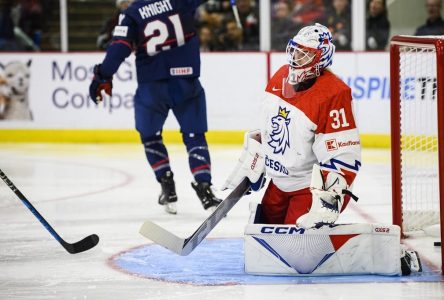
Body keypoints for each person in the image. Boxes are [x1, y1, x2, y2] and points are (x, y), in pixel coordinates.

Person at [224, 23, 422, 276]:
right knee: (264, 248)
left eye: (304, 54)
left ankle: (389, 253)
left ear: (321, 58)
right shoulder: (279, 75)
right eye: (295, 51)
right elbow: (269, 129)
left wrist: (329, 200)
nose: (296, 59)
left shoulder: (334, 93)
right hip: (279, 184)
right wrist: (254, 157)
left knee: (297, 257)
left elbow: (342, 153)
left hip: (305, 189)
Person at [89, 0, 222, 215]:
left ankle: (166, 183)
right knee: (194, 136)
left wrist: (102, 75)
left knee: (150, 136)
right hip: (186, 83)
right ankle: (204, 185)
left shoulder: (132, 13)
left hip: (153, 86)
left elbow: (119, 48)